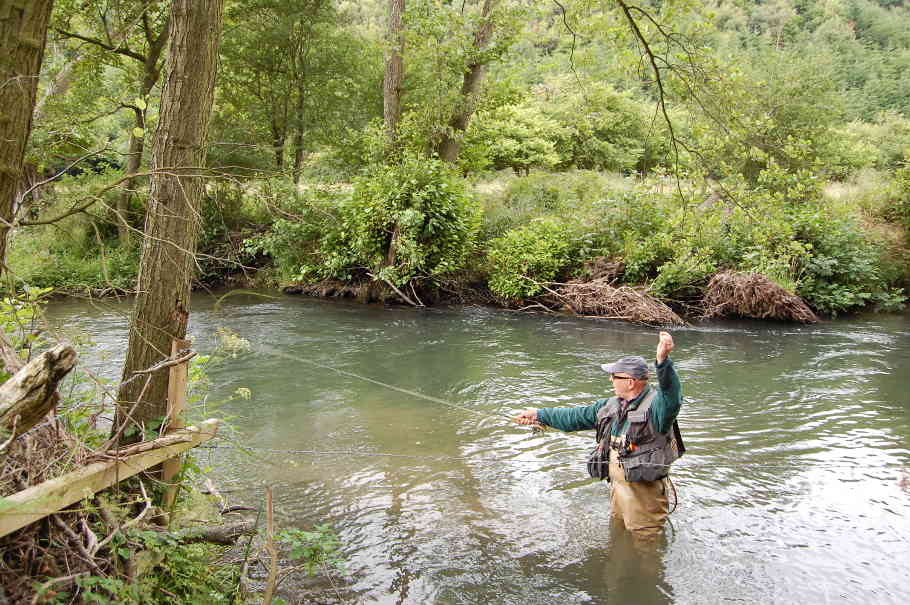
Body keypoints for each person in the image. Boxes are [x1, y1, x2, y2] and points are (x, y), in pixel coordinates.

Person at [515, 331, 683, 535]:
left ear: (630, 382)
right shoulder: (609, 406)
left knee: (646, 548)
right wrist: (540, 415)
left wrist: (663, 362)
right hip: (618, 491)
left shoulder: (658, 409)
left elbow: (671, 396)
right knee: (618, 536)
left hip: (645, 497)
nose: (610, 380)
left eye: (614, 376)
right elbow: (574, 416)